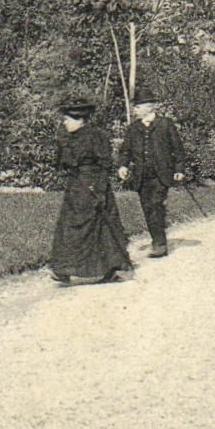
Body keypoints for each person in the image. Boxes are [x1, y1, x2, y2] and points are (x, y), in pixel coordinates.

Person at [48, 94, 133, 285]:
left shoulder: (96, 136)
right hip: (76, 186)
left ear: (79, 119)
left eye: (67, 119)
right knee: (70, 225)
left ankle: (109, 267)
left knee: (98, 225)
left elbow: (105, 163)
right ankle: (63, 269)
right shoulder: (68, 137)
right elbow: (63, 163)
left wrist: (98, 189)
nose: (64, 123)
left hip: (93, 184)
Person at [117, 85, 187, 258]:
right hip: (142, 177)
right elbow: (125, 151)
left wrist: (179, 169)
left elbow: (178, 149)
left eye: (137, 107)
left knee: (156, 205)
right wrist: (123, 166)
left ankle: (160, 244)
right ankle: (157, 238)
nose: (134, 110)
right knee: (147, 208)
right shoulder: (133, 129)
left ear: (149, 107)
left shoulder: (165, 125)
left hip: (161, 176)